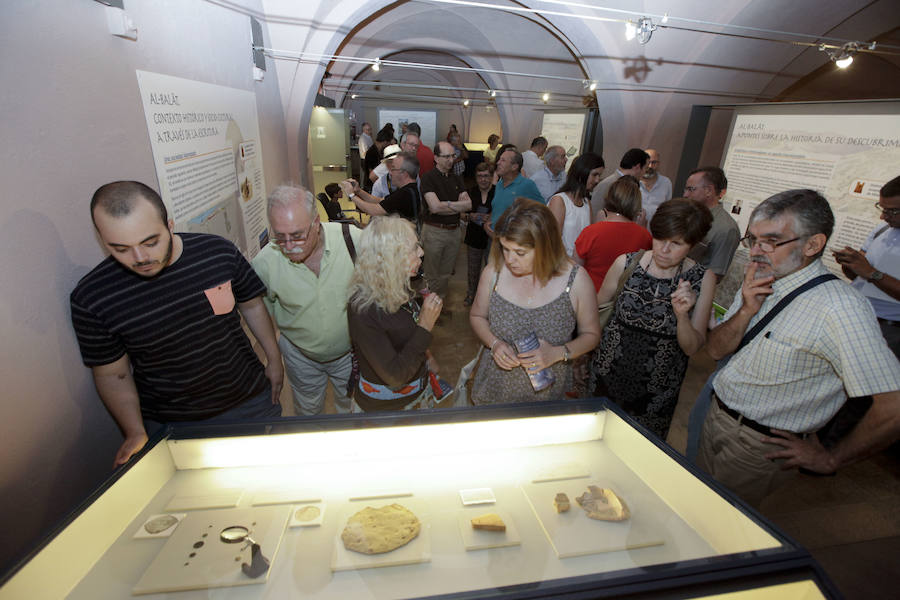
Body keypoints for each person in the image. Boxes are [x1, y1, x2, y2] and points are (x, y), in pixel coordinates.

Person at [696, 189, 900, 507]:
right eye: (753, 239)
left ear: (812, 244)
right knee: (696, 506)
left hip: (759, 446)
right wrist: (746, 310)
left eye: (771, 242)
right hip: (717, 419)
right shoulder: (761, 277)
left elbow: (894, 406)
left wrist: (831, 459)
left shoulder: (840, 308)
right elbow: (716, 351)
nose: (755, 252)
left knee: (718, 525)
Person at [70, 181, 284, 466]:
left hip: (248, 400)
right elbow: (113, 374)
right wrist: (134, 431)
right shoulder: (92, 297)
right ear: (102, 240)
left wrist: (274, 358)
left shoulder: (217, 252)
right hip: (171, 422)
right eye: (120, 249)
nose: (140, 258)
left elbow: (251, 304)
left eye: (150, 242)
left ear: (169, 225)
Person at [590, 199, 715, 440]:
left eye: (676, 243)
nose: (663, 250)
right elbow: (595, 316)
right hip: (605, 382)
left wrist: (682, 316)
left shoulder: (702, 279)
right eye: (659, 238)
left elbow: (691, 347)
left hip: (655, 399)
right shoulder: (626, 263)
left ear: (692, 245)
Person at [469, 198, 601, 404]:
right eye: (505, 248)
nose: (510, 259)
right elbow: (477, 315)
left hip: (547, 396)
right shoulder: (493, 271)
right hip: (494, 389)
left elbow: (591, 335)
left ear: (545, 246)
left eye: (520, 253)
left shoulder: (576, 280)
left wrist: (558, 353)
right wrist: (494, 344)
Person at [251, 186, 359, 416]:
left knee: (351, 411)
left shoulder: (353, 240)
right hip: (301, 358)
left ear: (316, 223)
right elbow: (261, 313)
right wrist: (273, 359)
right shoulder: (265, 263)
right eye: (280, 237)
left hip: (352, 355)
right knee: (308, 413)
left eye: (297, 235)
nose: (289, 246)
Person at [347, 216, 443, 411]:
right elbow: (394, 375)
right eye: (414, 248)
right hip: (386, 411)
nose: (421, 252)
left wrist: (428, 356)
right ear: (392, 257)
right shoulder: (363, 309)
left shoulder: (399, 286)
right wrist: (425, 326)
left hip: (416, 396)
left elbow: (406, 335)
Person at [833, 175, 900, 358]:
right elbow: (860, 278)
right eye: (882, 208)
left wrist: (871, 273)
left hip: (889, 329)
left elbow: (870, 275)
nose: (883, 216)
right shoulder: (882, 230)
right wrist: (851, 264)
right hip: (858, 316)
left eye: (893, 211)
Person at [575, 175, 653, 292]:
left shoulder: (591, 232)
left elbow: (575, 270)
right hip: (625, 298)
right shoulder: (645, 236)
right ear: (636, 203)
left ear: (609, 199)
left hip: (590, 295)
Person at [420, 140, 472, 304]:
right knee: (431, 272)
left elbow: (469, 205)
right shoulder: (428, 178)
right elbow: (434, 207)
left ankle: (438, 302)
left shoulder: (457, 178)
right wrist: (456, 206)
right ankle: (426, 305)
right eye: (446, 156)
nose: (451, 160)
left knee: (446, 272)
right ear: (436, 158)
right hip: (434, 231)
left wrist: (446, 204)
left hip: (454, 232)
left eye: (453, 156)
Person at [684, 166, 740, 281]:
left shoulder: (726, 229)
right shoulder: (685, 214)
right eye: (685, 189)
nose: (685, 194)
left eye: (691, 189)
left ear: (709, 190)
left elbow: (716, 274)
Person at [547, 152, 604, 258]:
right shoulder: (559, 201)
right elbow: (552, 243)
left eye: (599, 176)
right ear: (582, 172)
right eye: (594, 175)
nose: (597, 180)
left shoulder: (587, 203)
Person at [342, 152, 420, 222]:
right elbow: (379, 201)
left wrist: (352, 195)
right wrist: (358, 191)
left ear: (404, 174)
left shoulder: (405, 194)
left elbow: (374, 210)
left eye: (393, 169)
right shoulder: (408, 190)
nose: (390, 173)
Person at [463, 162, 495, 306]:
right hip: (474, 236)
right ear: (476, 178)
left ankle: (488, 298)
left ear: (492, 176)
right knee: (473, 269)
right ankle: (471, 294)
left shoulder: (498, 192)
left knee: (491, 269)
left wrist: (492, 217)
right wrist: (470, 216)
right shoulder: (470, 192)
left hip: (491, 237)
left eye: (486, 176)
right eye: (480, 176)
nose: (483, 179)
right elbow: (461, 213)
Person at [488, 148, 544, 231]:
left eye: (503, 160)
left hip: (511, 241)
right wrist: (488, 222)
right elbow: (498, 208)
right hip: (493, 238)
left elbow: (542, 212)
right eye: (499, 159)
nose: (498, 162)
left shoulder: (527, 185)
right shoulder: (499, 183)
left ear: (514, 167)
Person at [591, 148, 649, 218]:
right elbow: (594, 214)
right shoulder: (606, 184)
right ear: (637, 167)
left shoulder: (637, 184)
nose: (645, 173)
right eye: (645, 168)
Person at [640, 149, 673, 224]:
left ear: (658, 164)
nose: (650, 166)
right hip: (635, 230)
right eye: (648, 162)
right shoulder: (633, 182)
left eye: (654, 162)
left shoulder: (666, 183)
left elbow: (668, 210)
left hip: (656, 231)